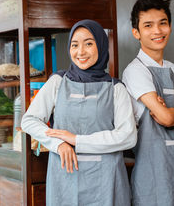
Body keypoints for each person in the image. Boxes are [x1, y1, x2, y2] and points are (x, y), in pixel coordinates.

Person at [21, 19, 137, 206]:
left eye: (89, 44)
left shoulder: (116, 88)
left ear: (101, 45)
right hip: (65, 177)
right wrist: (59, 144)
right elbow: (29, 120)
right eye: (75, 45)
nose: (80, 52)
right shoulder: (58, 82)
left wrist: (77, 140)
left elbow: (128, 136)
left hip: (106, 180)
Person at [122, 0, 174, 206]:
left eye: (163, 23)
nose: (157, 31)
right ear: (136, 32)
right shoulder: (135, 71)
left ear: (170, 26)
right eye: (148, 25)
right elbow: (166, 118)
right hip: (153, 171)